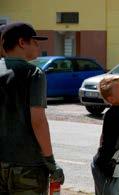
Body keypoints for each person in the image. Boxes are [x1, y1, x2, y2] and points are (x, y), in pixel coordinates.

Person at [0, 22, 64, 194]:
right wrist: (50, 161)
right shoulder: (34, 73)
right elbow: (38, 121)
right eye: (35, 41)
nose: (38, 45)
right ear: (22, 43)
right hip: (28, 167)